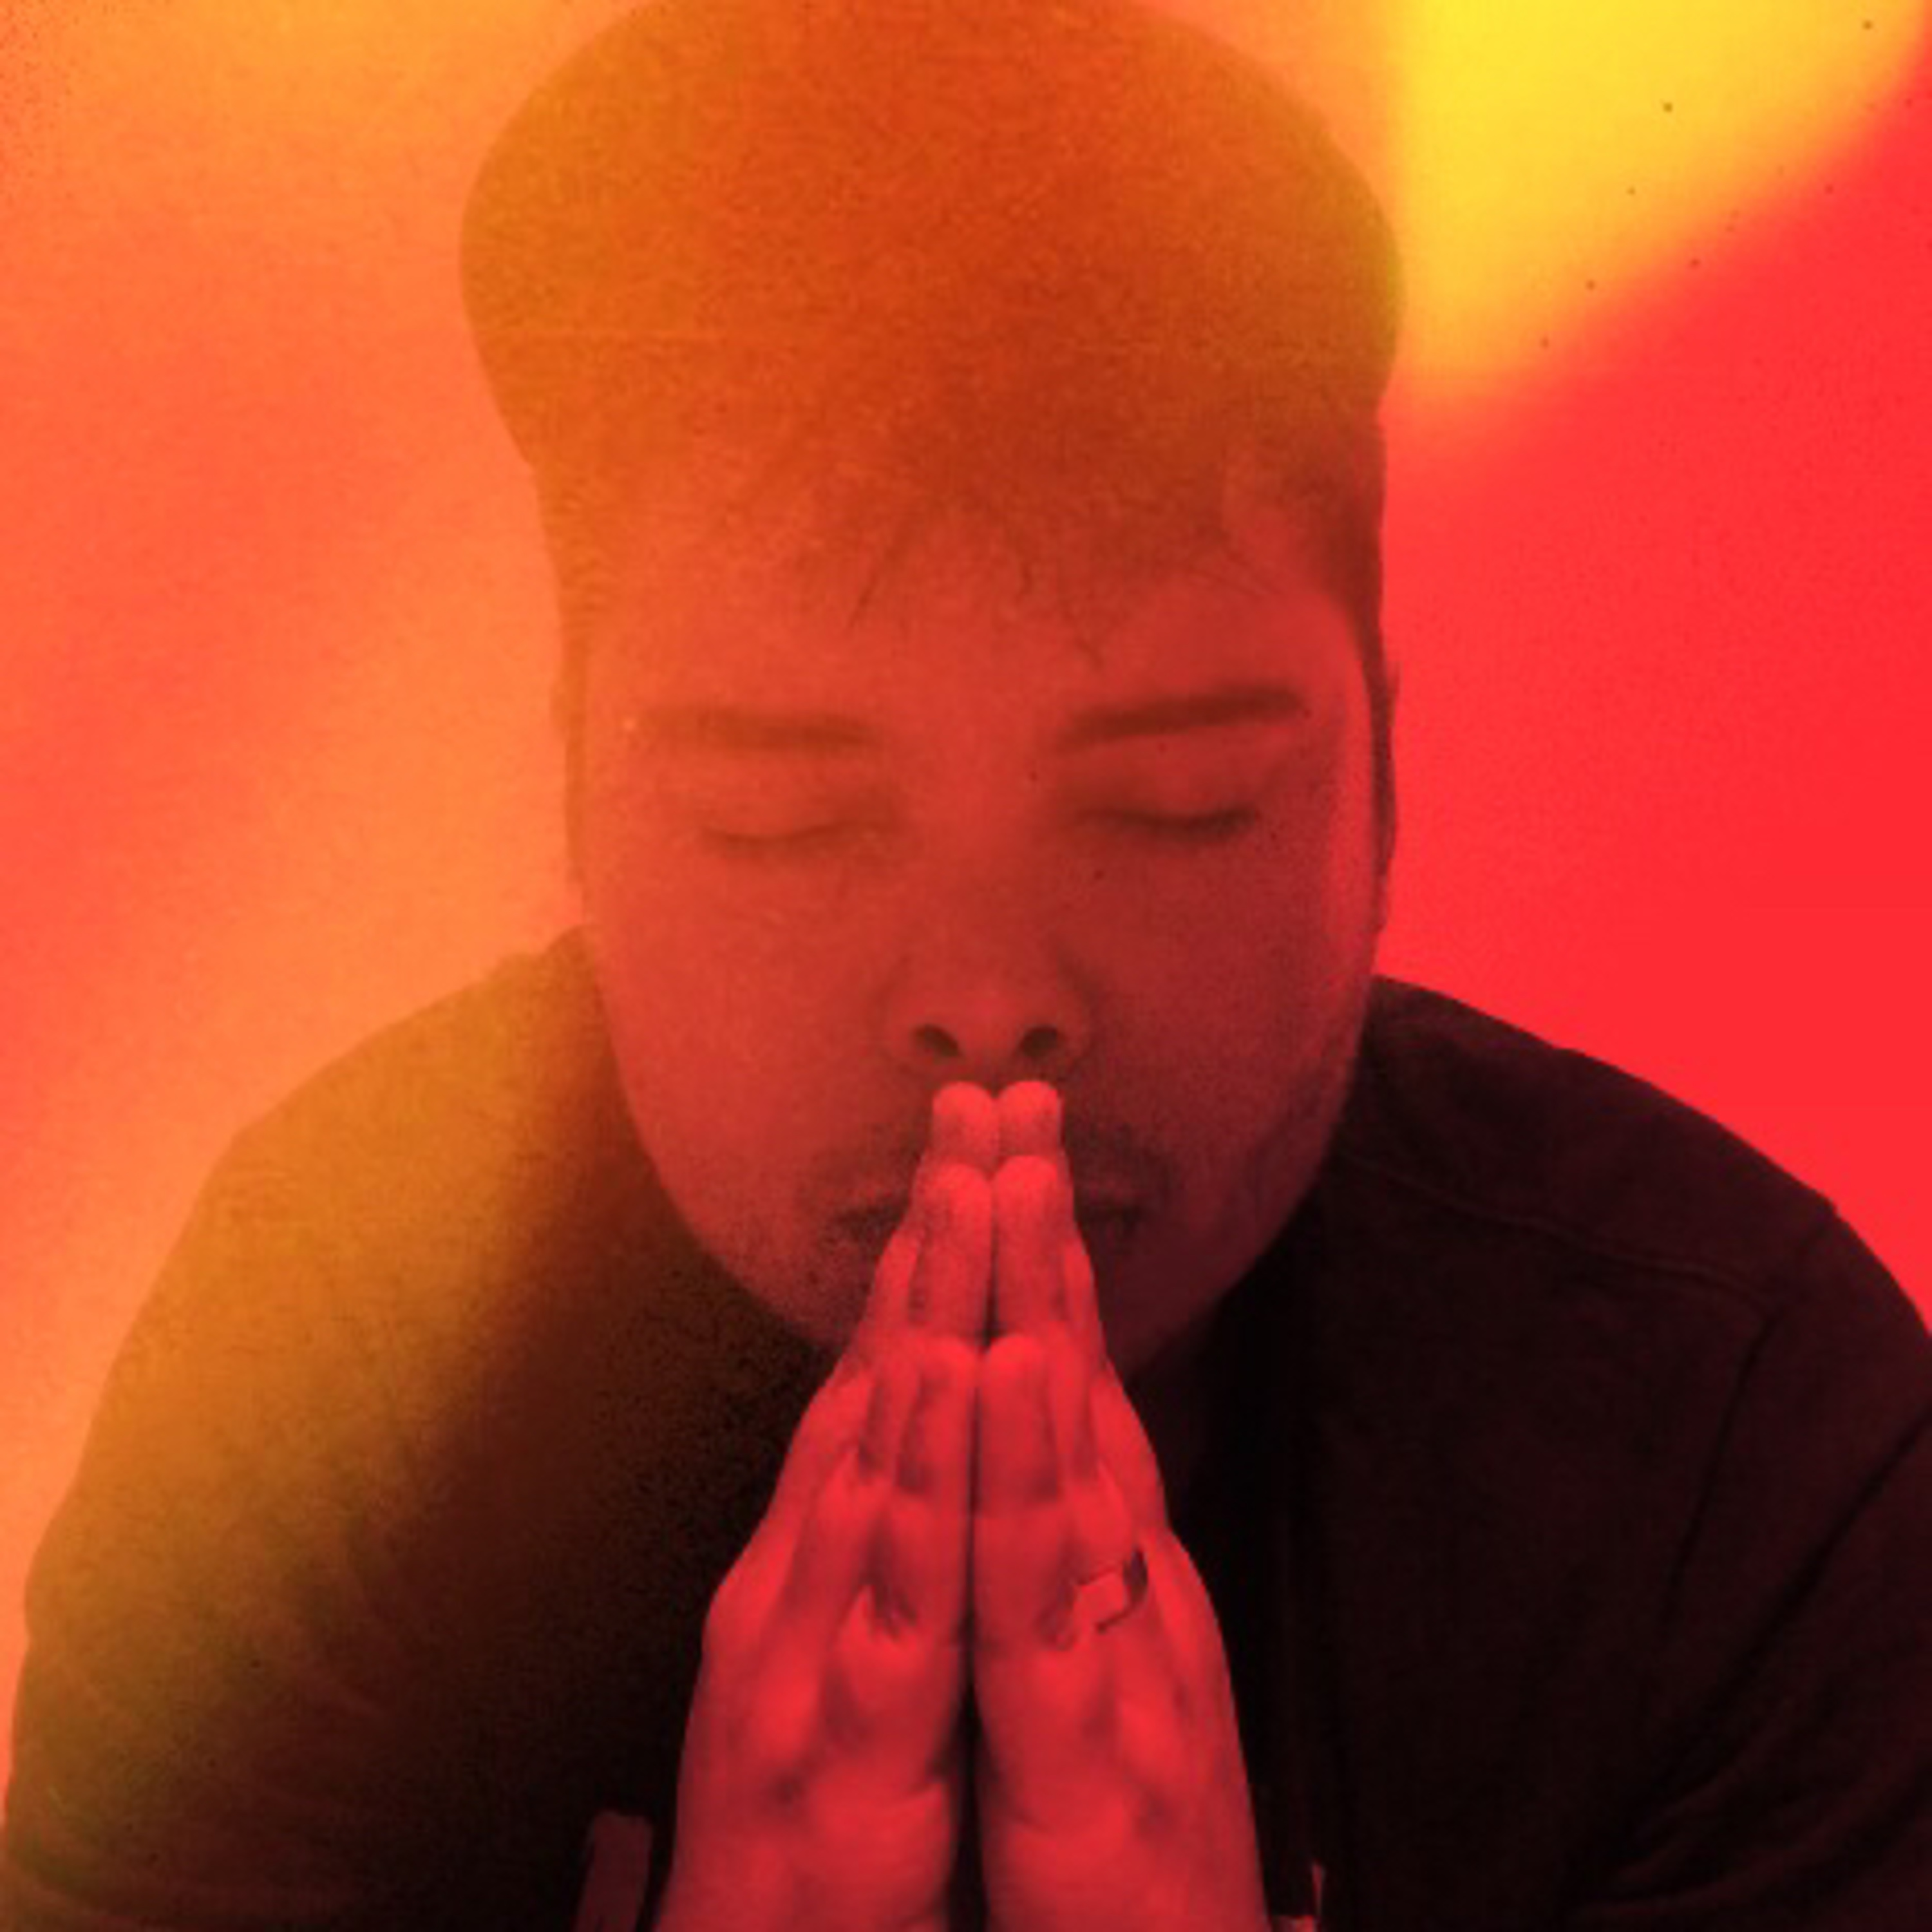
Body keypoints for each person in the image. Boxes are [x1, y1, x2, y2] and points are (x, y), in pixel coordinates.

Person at [3, 3, 1926, 1928]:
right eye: (785, 819)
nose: (991, 997)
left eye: (1179, 804)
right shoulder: (343, 1359)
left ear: (1386, 785)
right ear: (577, 798)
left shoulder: (1746, 1447)